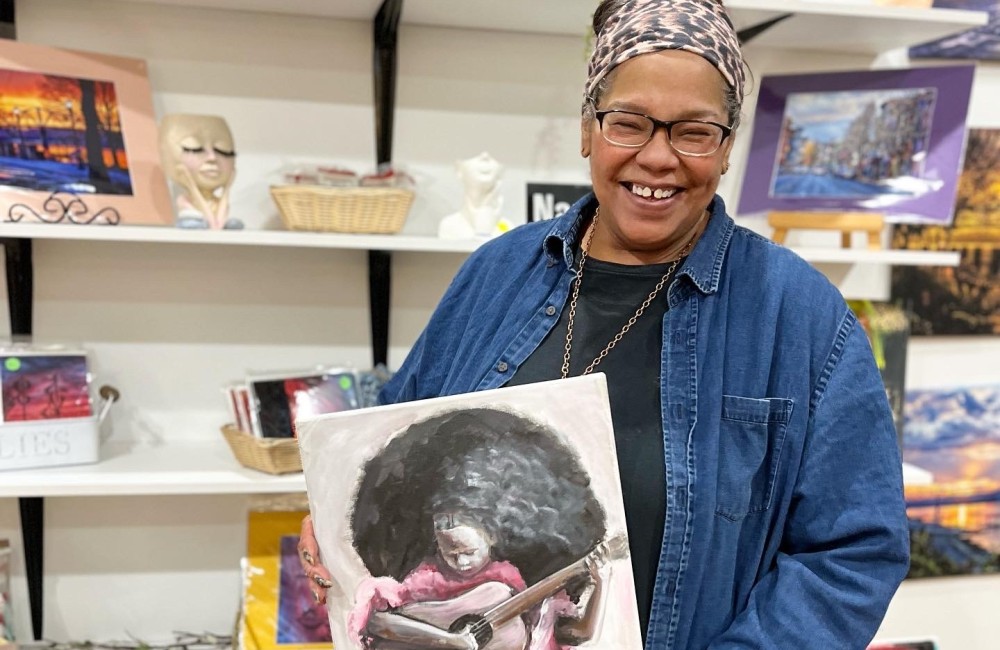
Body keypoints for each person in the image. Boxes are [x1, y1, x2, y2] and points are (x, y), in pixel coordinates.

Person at [301, 0, 910, 647]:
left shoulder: (800, 315)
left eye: (694, 131)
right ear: (588, 128)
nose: (657, 157)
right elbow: (398, 436)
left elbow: (853, 552)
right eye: (629, 123)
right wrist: (333, 520)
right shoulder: (497, 273)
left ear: (726, 148)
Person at [342, 407, 612, 649]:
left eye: (468, 552)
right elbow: (379, 623)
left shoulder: (511, 588)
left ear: (492, 536)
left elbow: (580, 633)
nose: (460, 561)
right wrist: (450, 641)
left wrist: (602, 583)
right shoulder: (425, 580)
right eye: (451, 553)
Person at [158, 113, 242, 230]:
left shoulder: (217, 202)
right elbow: (212, 223)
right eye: (194, 148)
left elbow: (216, 227)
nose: (212, 157)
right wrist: (191, 185)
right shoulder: (184, 201)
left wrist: (227, 189)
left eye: (223, 149)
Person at [438, 151, 508, 239]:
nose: (485, 156)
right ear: (458, 169)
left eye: (495, 154)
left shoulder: (508, 227)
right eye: (473, 153)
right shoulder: (449, 225)